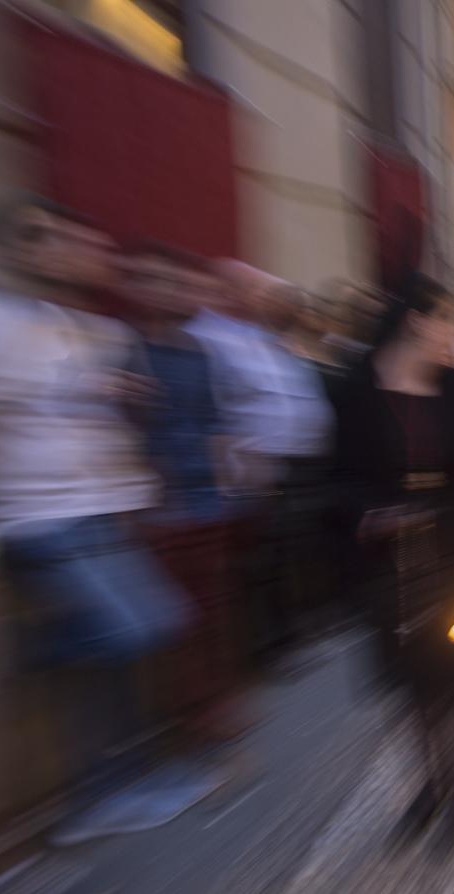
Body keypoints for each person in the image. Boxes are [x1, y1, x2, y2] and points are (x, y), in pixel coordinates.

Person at [0, 195, 214, 845]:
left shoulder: (90, 329)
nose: (64, 250)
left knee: (157, 625)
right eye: (44, 238)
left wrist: (134, 476)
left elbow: (104, 425)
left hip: (101, 511)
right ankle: (97, 789)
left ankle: (126, 776)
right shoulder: (4, 325)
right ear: (17, 250)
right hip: (40, 515)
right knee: (122, 634)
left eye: (69, 237)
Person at [333, 275, 454, 843]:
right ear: (417, 321)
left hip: (452, 563)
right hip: (386, 574)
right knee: (409, 685)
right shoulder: (359, 391)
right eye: (449, 319)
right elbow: (339, 480)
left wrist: (447, 523)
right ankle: (428, 785)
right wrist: (369, 514)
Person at [121, 242, 249, 743]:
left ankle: (219, 700)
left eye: (172, 281)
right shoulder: (126, 349)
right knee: (177, 620)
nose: (165, 291)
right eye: (150, 279)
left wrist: (225, 486)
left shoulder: (198, 353)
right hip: (160, 503)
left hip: (206, 499)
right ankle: (191, 718)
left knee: (214, 607)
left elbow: (215, 423)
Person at [186, 261, 334, 666]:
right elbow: (217, 408)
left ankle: (293, 632)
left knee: (289, 552)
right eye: (252, 290)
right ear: (225, 289)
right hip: (255, 467)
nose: (259, 298)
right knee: (262, 559)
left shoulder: (265, 337)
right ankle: (270, 646)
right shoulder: (205, 336)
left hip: (296, 463)